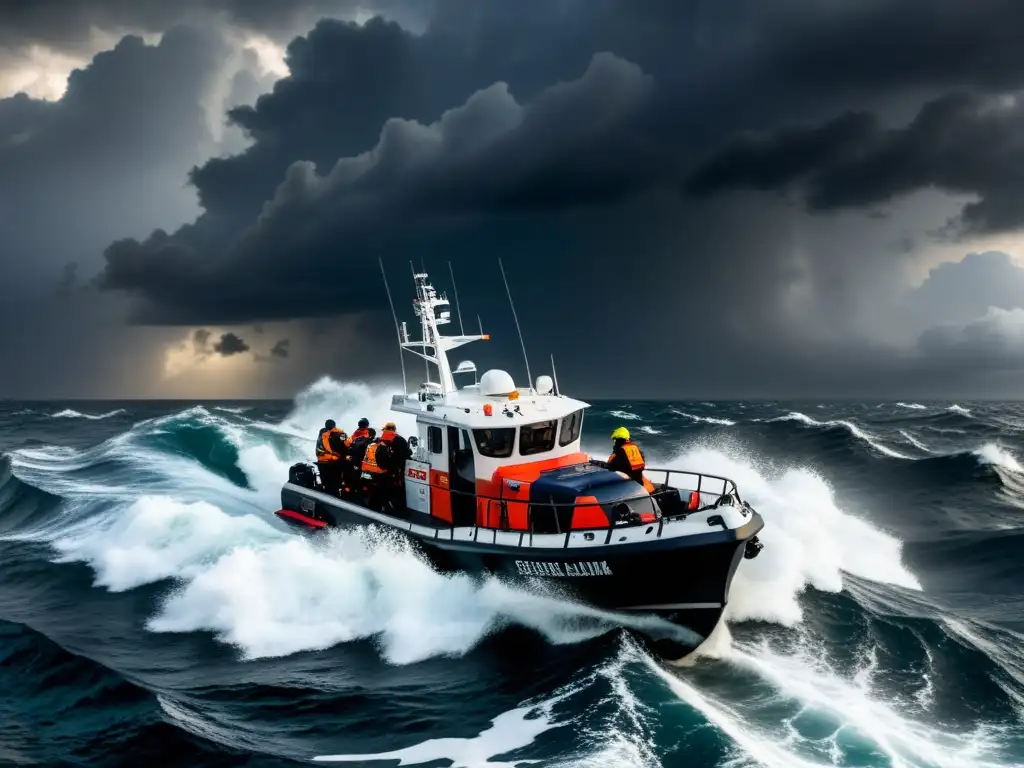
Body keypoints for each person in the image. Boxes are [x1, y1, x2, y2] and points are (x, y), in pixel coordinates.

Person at [606, 427, 654, 492]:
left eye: (615, 440)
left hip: (626, 486)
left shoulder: (620, 452)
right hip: (640, 483)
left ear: (618, 439)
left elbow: (611, 468)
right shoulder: (636, 448)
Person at [315, 419, 344, 495]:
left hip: (324, 461)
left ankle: (330, 490)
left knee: (328, 481)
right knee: (333, 481)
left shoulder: (324, 432)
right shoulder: (330, 434)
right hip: (329, 461)